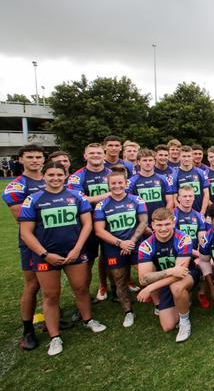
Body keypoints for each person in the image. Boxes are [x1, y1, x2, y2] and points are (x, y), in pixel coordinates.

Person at [19, 162, 107, 356]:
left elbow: (86, 224)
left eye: (59, 174)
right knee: (51, 295)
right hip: (46, 255)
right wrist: (45, 254)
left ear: (65, 176)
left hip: (74, 252)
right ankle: (54, 336)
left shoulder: (76, 196)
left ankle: (88, 320)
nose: (56, 178)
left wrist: (77, 249)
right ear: (44, 176)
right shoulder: (33, 200)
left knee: (81, 288)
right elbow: (26, 232)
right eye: (51, 174)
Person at [3, 144, 47, 350]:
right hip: (32, 242)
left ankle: (50, 320)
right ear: (20, 159)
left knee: (51, 286)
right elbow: (21, 217)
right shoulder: (17, 186)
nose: (35, 160)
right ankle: (27, 330)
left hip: (57, 240)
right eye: (30, 157)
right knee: (32, 285)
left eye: (38, 157)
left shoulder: (51, 179)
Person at [136, 208, 200, 342]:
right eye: (159, 225)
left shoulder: (183, 238)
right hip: (166, 278)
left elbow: (180, 274)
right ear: (152, 225)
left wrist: (150, 288)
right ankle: (182, 300)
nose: (163, 228)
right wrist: (169, 271)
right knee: (168, 326)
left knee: (177, 287)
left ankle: (184, 321)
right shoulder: (146, 245)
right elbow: (143, 279)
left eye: (167, 224)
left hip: (188, 275)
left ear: (173, 223)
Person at [94, 171, 148, 328]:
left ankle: (158, 303)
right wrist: (120, 243)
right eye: (113, 183)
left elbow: (143, 222)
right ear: (108, 185)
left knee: (145, 275)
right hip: (113, 247)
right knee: (119, 279)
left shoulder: (136, 199)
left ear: (125, 184)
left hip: (135, 243)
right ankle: (128, 312)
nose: (117, 186)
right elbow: (99, 230)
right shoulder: (101, 205)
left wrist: (131, 241)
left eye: (120, 183)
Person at [68, 143, 113, 303]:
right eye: (91, 153)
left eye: (99, 153)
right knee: (88, 261)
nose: (95, 155)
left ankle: (111, 288)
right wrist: (108, 194)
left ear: (104, 154)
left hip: (110, 222)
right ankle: (84, 297)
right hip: (87, 225)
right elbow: (79, 199)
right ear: (85, 156)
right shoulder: (77, 176)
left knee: (111, 257)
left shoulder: (111, 173)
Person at [173, 186, 210, 309]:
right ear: (178, 198)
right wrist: (196, 254)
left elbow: (202, 237)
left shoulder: (198, 216)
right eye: (184, 196)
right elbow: (175, 241)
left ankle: (202, 293)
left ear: (194, 198)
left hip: (194, 252)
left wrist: (202, 253)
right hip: (178, 253)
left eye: (190, 196)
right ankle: (185, 291)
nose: (187, 199)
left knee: (207, 262)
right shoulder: (173, 215)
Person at [127, 149, 175, 222]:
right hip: (142, 223)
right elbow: (129, 205)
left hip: (161, 221)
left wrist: (163, 218)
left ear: (154, 162)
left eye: (150, 160)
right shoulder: (131, 181)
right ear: (139, 162)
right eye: (145, 160)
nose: (148, 163)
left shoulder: (164, 179)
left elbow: (170, 201)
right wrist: (142, 224)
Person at [173, 145, 209, 214]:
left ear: (192, 157)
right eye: (184, 156)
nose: (186, 159)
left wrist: (202, 212)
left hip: (200, 212)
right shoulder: (174, 175)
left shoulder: (201, 173)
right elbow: (174, 198)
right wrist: (182, 213)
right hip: (182, 214)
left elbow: (206, 194)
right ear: (179, 157)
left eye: (189, 156)